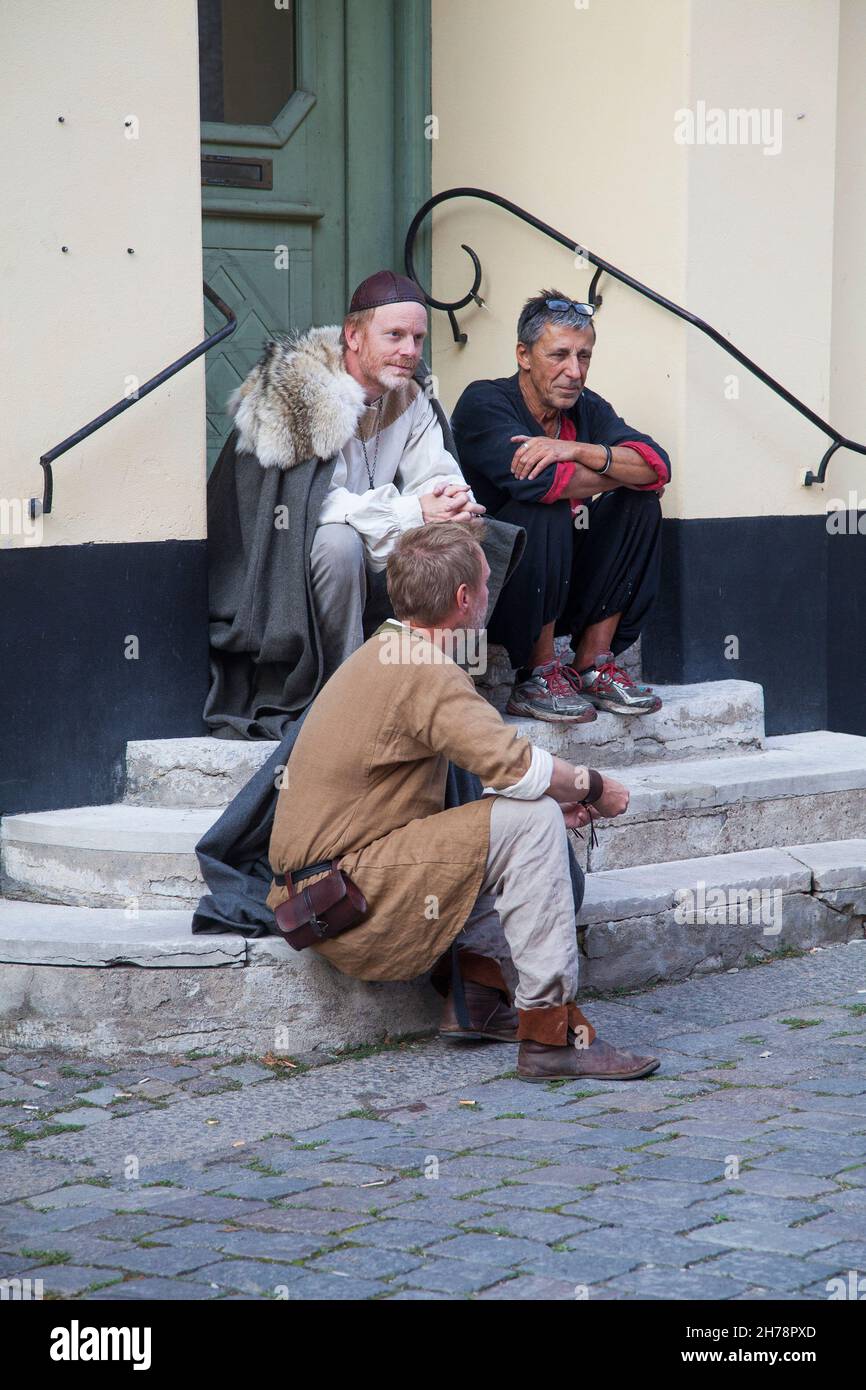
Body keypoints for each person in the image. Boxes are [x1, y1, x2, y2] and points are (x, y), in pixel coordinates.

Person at [266, 521, 660, 1082]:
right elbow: (517, 765)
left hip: (323, 899)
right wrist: (595, 787)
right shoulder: (424, 670)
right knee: (533, 819)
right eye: (485, 580)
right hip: (347, 904)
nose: (489, 593)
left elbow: (498, 781)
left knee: (510, 822)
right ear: (463, 599)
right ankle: (551, 1037)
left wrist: (537, 795)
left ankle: (478, 996)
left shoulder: (386, 651)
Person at [204, 270, 524, 739]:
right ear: (353, 336)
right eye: (394, 335)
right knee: (340, 544)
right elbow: (316, 510)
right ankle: (342, 696)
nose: (410, 351)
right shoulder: (300, 397)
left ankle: (439, 694)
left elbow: (435, 472)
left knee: (460, 538)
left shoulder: (410, 396)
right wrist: (414, 512)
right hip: (287, 569)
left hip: (376, 548)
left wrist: (451, 502)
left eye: (417, 337)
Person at [452, 290, 671, 723]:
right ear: (524, 355)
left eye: (584, 356)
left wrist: (574, 449)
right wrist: (616, 466)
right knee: (545, 507)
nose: (574, 371)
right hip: (492, 592)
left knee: (640, 503)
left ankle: (591, 664)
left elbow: (657, 467)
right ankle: (538, 673)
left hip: (562, 578)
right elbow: (543, 484)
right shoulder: (484, 402)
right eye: (559, 355)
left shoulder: (585, 408)